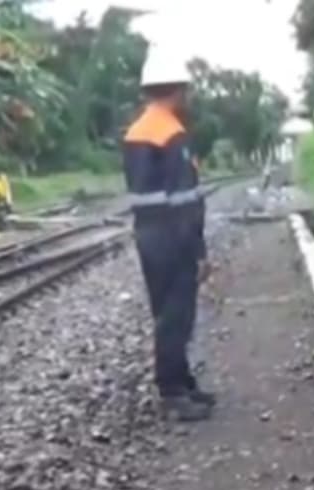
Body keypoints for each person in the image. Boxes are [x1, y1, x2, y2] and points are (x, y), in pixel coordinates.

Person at [122, 49, 217, 422]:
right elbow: (184, 200)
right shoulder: (172, 134)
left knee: (164, 311)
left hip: (148, 233)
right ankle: (173, 392)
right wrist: (199, 251)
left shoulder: (136, 131)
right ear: (177, 91)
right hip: (174, 237)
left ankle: (182, 380)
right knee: (177, 315)